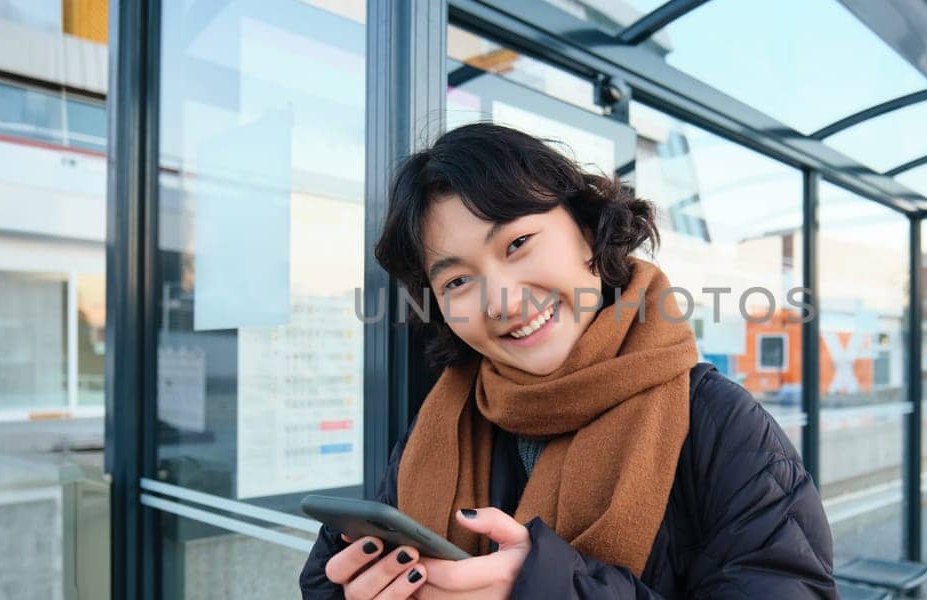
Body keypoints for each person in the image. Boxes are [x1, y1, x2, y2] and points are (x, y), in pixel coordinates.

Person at [299, 123, 837, 598]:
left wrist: (549, 587)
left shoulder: (719, 424)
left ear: (586, 230)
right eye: (458, 280)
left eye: (518, 244)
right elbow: (327, 577)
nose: (502, 300)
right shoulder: (442, 423)